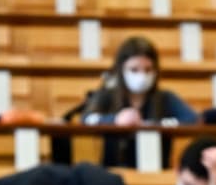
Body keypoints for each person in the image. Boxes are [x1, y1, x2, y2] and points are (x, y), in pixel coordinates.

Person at [81, 36, 198, 168]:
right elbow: (86, 119)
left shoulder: (165, 98)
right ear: (121, 69)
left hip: (157, 171)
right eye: (134, 69)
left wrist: (154, 125)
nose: (142, 76)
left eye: (148, 70)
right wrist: (115, 120)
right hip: (112, 170)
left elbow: (192, 119)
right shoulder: (108, 94)